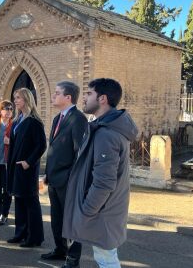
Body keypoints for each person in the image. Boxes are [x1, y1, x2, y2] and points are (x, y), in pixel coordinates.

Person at [63, 78, 138, 268]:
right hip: (105, 210)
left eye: (89, 94)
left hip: (102, 212)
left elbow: (104, 181)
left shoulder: (107, 134)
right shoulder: (103, 127)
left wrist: (87, 210)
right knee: (105, 257)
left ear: (102, 98)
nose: (85, 98)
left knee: (107, 259)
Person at [41, 82, 87, 268]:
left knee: (71, 222)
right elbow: (53, 149)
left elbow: (79, 153)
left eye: (57, 93)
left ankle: (73, 259)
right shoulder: (56, 119)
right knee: (57, 219)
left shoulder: (78, 119)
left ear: (68, 97)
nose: (53, 95)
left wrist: (71, 178)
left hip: (67, 181)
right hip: (53, 179)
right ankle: (60, 250)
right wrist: (46, 174)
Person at [6, 88, 47, 248]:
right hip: (15, 167)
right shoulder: (17, 120)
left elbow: (41, 145)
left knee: (31, 202)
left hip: (27, 169)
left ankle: (34, 238)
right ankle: (20, 234)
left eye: (18, 98)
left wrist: (28, 162)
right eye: (15, 97)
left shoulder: (34, 121)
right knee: (19, 200)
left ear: (27, 100)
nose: (15, 100)